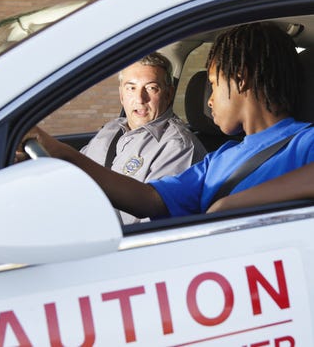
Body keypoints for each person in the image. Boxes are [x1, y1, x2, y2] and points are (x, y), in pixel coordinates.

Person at [19, 22, 313, 220]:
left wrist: (232, 205)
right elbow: (151, 199)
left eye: (212, 83)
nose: (208, 100)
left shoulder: (304, 142)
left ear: (241, 78)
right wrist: (62, 153)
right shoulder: (221, 158)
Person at [20, 52, 207, 224]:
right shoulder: (110, 130)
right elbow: (75, 176)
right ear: (121, 95)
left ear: (168, 94)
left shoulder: (177, 146)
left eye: (151, 88)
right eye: (131, 88)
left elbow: (152, 223)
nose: (140, 98)